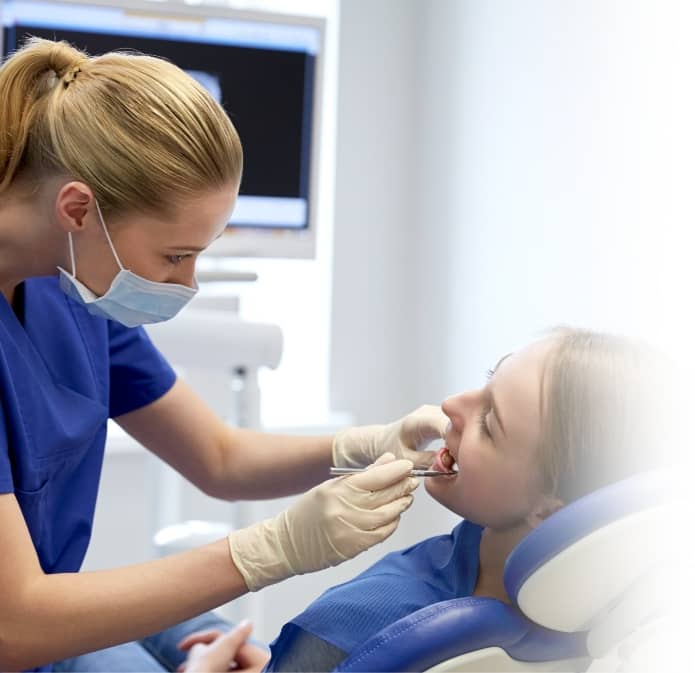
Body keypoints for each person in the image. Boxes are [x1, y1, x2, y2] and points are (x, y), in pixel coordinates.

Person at [0, 37, 449, 672]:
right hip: (20, 633)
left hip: (38, 643)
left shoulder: (71, 285)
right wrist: (272, 551)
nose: (188, 284)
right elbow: (14, 622)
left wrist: (363, 447)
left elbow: (219, 456)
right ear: (78, 208)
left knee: (195, 626)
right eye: (177, 255)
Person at [173, 327, 674, 673]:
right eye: (486, 380)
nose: (454, 405)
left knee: (112, 645)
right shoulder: (594, 617)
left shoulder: (372, 616)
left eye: (490, 424)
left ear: (552, 505)